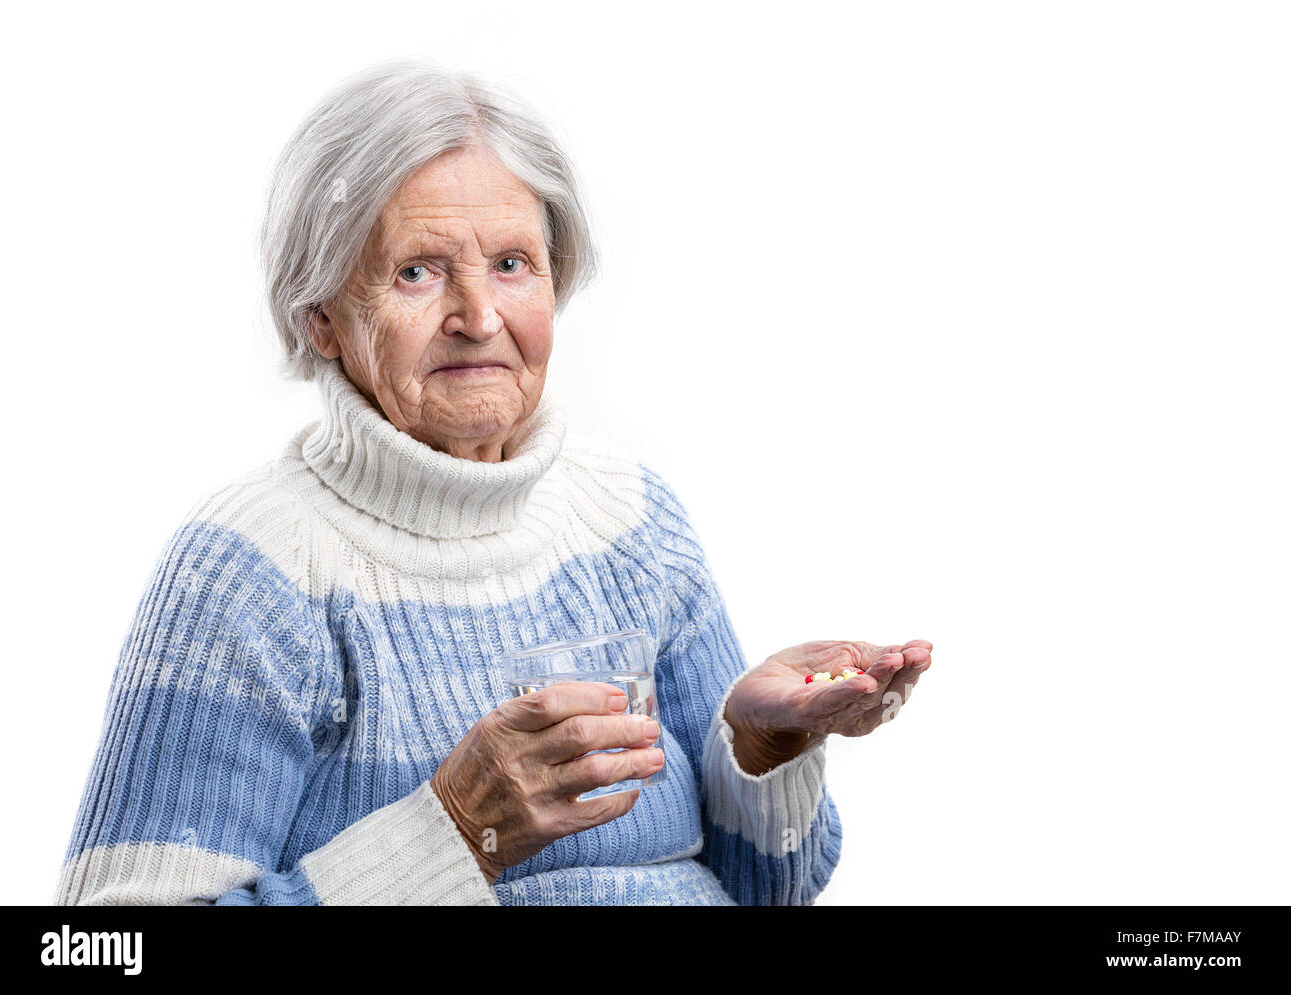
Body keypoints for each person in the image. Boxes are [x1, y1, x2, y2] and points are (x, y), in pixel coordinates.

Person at [55, 57, 933, 906]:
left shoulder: (632, 519)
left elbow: (768, 889)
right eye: (417, 271)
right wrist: (454, 830)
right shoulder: (255, 570)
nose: (478, 318)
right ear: (321, 316)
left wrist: (761, 741)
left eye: (512, 264)